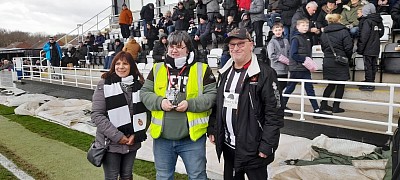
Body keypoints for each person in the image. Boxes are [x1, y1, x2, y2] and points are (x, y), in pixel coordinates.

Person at [208, 27, 284, 180]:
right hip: (229, 146)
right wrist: (213, 128)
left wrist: (267, 145)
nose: (236, 48)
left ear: (251, 44)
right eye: (232, 45)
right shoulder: (224, 72)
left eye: (241, 43)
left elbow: (274, 113)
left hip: (254, 148)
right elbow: (218, 105)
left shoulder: (265, 74)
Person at [140, 31, 217, 180]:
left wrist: (190, 104)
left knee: (198, 176)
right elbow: (144, 93)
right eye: (171, 46)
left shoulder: (202, 69)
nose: (174, 50)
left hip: (192, 139)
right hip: (162, 139)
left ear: (188, 49)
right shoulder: (157, 68)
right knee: (163, 177)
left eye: (179, 47)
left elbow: (212, 96)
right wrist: (160, 102)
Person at [91, 51, 149, 180]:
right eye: (117, 63)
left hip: (131, 142)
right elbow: (97, 115)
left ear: (131, 66)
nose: (121, 67)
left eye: (125, 63)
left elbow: (146, 114)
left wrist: (136, 134)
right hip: (110, 143)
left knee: (127, 176)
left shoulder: (140, 86)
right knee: (112, 177)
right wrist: (118, 136)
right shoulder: (104, 84)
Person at [283, 19, 332, 119]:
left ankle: (316, 110)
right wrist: (305, 60)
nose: (305, 27)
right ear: (297, 27)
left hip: (304, 68)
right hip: (297, 68)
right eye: (303, 25)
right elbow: (293, 54)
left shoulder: (306, 38)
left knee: (309, 89)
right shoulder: (295, 38)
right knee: (290, 89)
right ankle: (281, 107)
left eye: (306, 25)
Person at [319, 14, 353, 113]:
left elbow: (323, 48)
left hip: (328, 60)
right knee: (340, 84)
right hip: (340, 61)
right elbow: (348, 48)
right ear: (339, 20)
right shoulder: (344, 31)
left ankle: (323, 104)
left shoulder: (324, 33)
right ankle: (336, 106)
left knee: (331, 84)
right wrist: (347, 58)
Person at [357, 2, 384, 91]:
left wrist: (360, 48)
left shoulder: (367, 21)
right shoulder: (379, 20)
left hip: (368, 47)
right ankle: (370, 81)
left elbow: (364, 36)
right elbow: (381, 33)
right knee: (373, 65)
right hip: (376, 46)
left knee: (368, 66)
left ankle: (369, 84)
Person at [267, 22, 290, 95]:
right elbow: (271, 55)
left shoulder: (286, 41)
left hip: (285, 69)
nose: (278, 32)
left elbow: (289, 52)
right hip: (276, 69)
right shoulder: (271, 42)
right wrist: (281, 58)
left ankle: (281, 104)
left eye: (279, 30)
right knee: (277, 88)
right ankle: (277, 104)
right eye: (276, 30)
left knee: (284, 86)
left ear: (283, 30)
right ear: (273, 31)